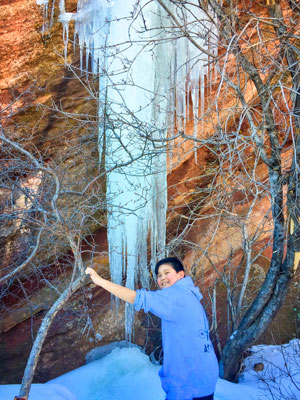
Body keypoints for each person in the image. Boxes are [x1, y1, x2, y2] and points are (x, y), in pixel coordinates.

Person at [85, 257, 219, 400]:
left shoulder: (176, 296)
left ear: (181, 274)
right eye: (159, 275)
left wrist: (99, 281)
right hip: (204, 374)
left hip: (189, 381)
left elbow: (135, 297)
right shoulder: (189, 293)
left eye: (167, 272)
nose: (162, 278)